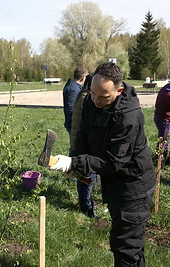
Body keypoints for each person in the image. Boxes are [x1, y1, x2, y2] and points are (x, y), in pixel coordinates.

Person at [50, 62, 156, 266]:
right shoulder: (93, 100)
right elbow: (83, 133)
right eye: (93, 94)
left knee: (126, 247)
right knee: (128, 245)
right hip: (116, 183)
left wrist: (74, 162)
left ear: (119, 90)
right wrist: (76, 162)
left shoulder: (129, 117)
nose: (97, 100)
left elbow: (112, 161)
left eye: (104, 97)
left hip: (133, 186)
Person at [69, 73, 97, 218]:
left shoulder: (81, 95)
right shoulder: (87, 99)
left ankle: (86, 203)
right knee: (86, 177)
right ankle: (87, 208)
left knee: (84, 176)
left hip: (78, 141)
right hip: (83, 144)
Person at [62, 67, 89, 155]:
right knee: (75, 148)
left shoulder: (71, 86)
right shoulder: (74, 89)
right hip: (73, 124)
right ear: (82, 78)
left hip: (72, 123)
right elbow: (71, 108)